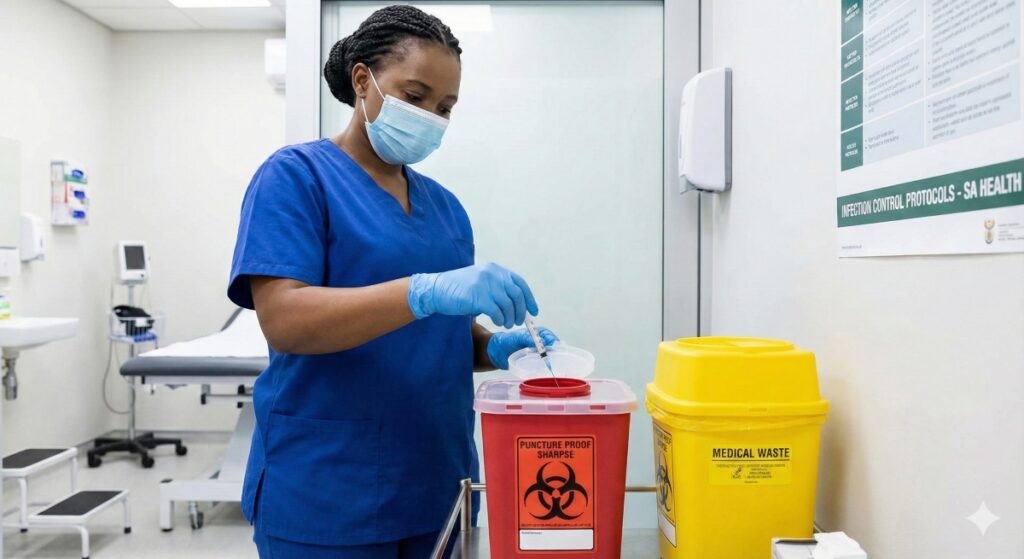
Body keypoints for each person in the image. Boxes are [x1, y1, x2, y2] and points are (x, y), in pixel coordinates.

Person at [227, 5, 558, 558]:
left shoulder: (446, 209)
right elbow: (285, 320)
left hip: (439, 483)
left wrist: (496, 348)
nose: (431, 116)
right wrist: (422, 290)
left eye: (445, 107)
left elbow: (438, 335)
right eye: (415, 96)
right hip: (328, 488)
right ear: (363, 81)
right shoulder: (295, 177)